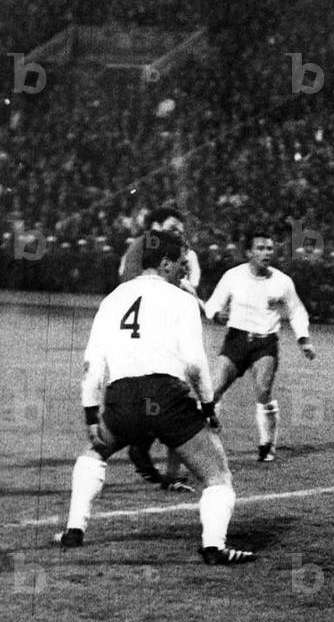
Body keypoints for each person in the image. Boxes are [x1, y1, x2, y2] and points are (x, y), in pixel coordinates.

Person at [55, 229, 254, 565]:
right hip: (166, 396)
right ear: (164, 264)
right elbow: (193, 360)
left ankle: (74, 530)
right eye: (181, 265)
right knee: (217, 474)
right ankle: (213, 547)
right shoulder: (181, 300)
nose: (186, 272)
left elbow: (93, 362)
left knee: (94, 452)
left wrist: (91, 413)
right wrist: (207, 405)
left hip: (121, 396)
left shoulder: (113, 299)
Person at [205, 233, 316, 462]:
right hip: (236, 340)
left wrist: (303, 339)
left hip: (265, 342)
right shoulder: (232, 276)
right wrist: (217, 314)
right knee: (213, 391)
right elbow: (212, 305)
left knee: (263, 390)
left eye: (269, 248)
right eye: (261, 248)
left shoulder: (282, 281)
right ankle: (207, 441)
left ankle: (267, 444)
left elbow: (296, 310)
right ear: (249, 253)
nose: (267, 253)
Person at [118, 207, 200, 492]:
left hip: (170, 327)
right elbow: (129, 284)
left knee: (173, 395)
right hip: (149, 332)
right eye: (172, 227)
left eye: (180, 228)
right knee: (172, 394)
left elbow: (188, 284)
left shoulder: (182, 253)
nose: (178, 232)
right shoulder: (142, 249)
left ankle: (169, 467)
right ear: (156, 226)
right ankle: (142, 445)